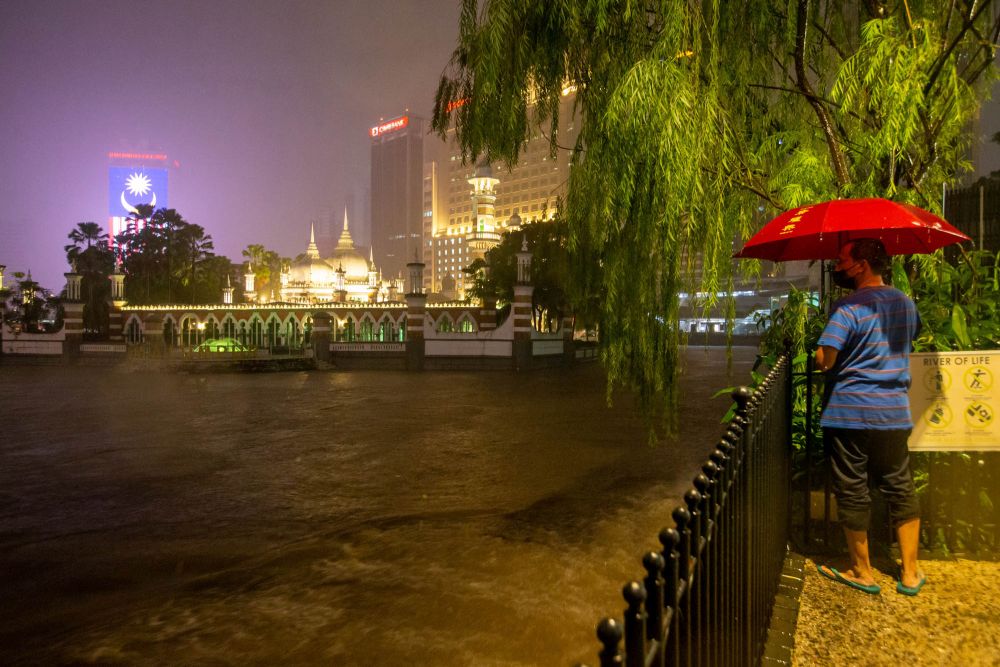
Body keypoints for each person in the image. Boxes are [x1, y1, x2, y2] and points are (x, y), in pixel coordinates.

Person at [814, 238, 926, 596]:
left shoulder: (848, 307)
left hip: (850, 413)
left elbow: (825, 359)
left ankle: (862, 571)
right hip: (893, 412)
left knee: (852, 487)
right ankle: (910, 572)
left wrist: (821, 354)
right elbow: (909, 340)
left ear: (861, 264)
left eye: (843, 260)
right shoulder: (906, 304)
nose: (838, 267)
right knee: (899, 484)